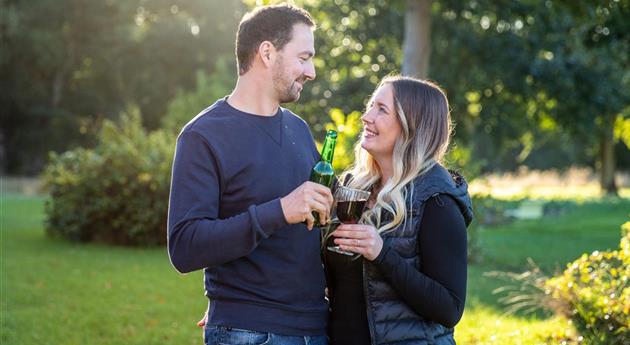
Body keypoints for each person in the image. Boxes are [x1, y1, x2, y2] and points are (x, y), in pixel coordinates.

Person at [167, 4, 333, 345]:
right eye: (304, 57)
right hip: (249, 333)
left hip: (316, 328)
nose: (311, 71)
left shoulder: (299, 130)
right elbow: (185, 247)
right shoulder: (203, 136)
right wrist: (280, 211)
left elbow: (313, 230)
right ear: (267, 53)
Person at [324, 75, 473, 345]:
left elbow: (449, 309)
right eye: (371, 106)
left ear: (411, 126)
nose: (366, 117)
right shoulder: (353, 189)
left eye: (381, 110)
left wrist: (381, 254)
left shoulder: (437, 200)